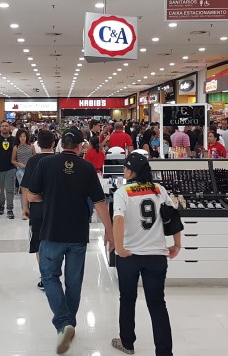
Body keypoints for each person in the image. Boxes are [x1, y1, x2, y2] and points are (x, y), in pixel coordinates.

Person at [28, 129, 114, 355]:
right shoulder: (86, 168)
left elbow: (32, 196)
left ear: (60, 143)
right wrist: (110, 230)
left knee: (49, 276)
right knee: (73, 282)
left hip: (51, 232)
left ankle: (63, 323)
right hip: (78, 234)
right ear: (79, 146)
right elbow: (99, 201)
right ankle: (69, 323)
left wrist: (49, 198)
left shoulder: (45, 165)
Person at [112, 153, 180, 356]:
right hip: (156, 255)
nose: (124, 171)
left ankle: (127, 343)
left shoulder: (122, 192)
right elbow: (173, 215)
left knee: (127, 298)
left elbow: (118, 220)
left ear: (131, 171)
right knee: (157, 303)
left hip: (129, 256)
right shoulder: (159, 190)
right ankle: (164, 352)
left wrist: (119, 247)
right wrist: (177, 244)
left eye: (125, 168)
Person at [20, 129, 55, 290]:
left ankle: (44, 276)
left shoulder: (33, 162)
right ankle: (54, 273)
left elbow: (25, 186)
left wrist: (25, 208)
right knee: (56, 240)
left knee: (39, 241)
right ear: (53, 143)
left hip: (37, 207)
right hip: (57, 207)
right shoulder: (58, 160)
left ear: (38, 144)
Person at [0, 121, 17, 219]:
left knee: (10, 190)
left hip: (10, 168)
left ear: (10, 128)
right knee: (0, 190)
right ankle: (1, 205)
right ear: (0, 128)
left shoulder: (14, 140)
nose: (4, 128)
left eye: (6, 126)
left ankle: (10, 209)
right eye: (3, 126)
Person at [11, 129, 35, 221]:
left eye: (24, 136)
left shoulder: (31, 146)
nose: (22, 138)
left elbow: (34, 157)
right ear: (18, 137)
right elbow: (12, 160)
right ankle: (25, 210)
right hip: (20, 169)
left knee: (30, 189)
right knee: (24, 189)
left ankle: (28, 209)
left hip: (30, 169)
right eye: (21, 137)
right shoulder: (16, 147)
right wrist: (19, 164)